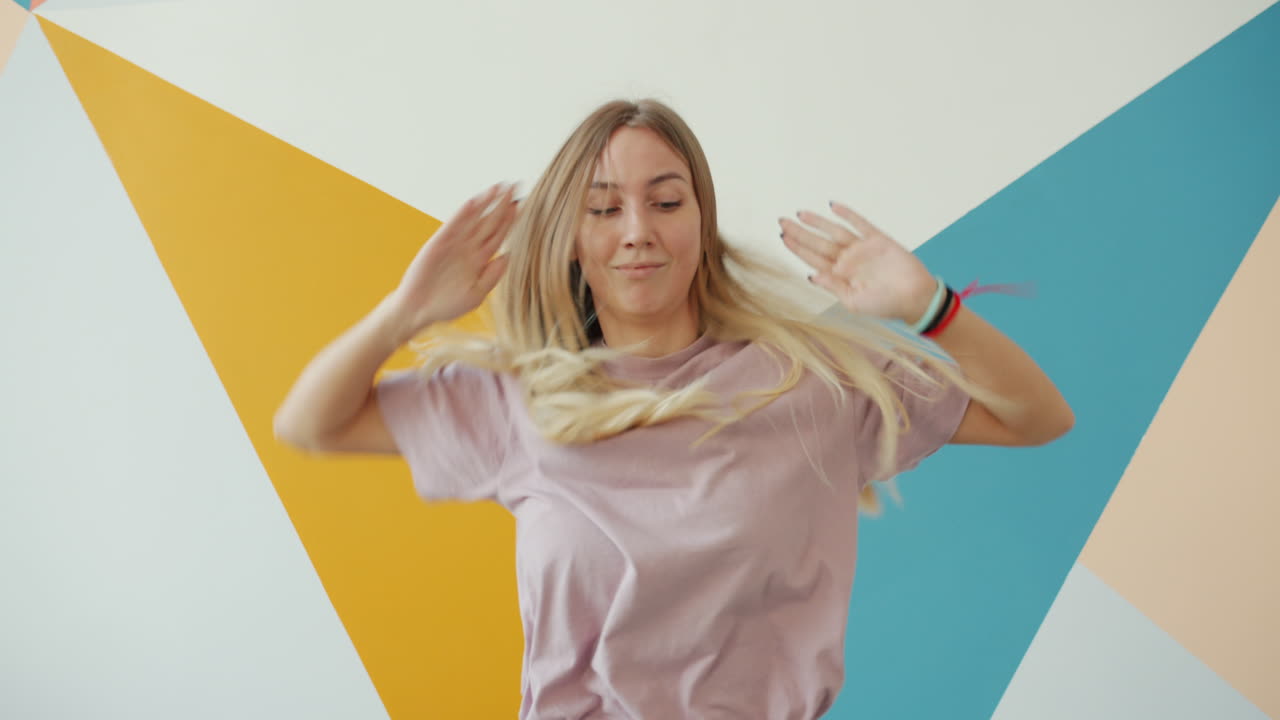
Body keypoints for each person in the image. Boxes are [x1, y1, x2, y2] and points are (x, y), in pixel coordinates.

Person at [274, 98, 1073, 719]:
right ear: (571, 236)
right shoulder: (520, 400)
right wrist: (404, 314)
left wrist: (930, 306)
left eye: (665, 201)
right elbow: (310, 423)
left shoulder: (811, 384)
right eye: (603, 208)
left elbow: (1037, 417)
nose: (637, 233)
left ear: (701, 222)